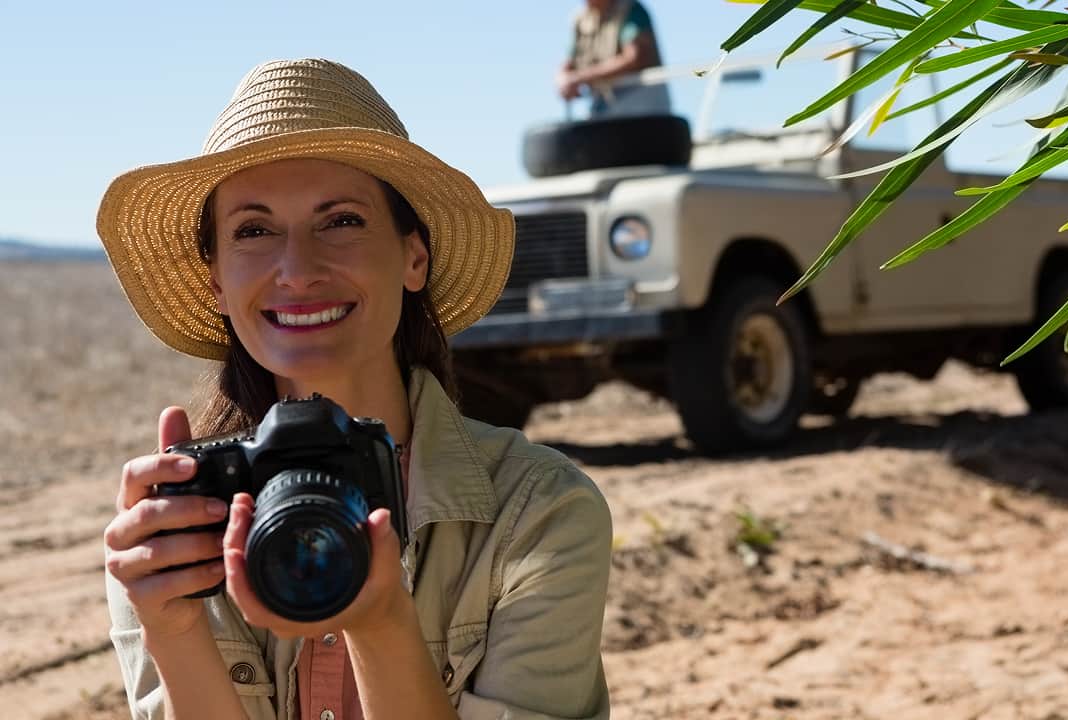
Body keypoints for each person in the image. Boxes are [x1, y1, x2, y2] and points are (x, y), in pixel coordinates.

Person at [99, 58, 613, 720]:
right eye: (254, 230)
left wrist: (378, 624)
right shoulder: (176, 528)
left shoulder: (537, 512)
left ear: (413, 258)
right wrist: (172, 629)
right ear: (217, 284)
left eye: (339, 220)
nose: (297, 269)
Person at [558, 0, 671, 118]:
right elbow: (569, 63)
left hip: (642, 105)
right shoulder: (581, 20)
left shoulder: (629, 9)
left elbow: (633, 58)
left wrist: (581, 77)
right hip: (603, 104)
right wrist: (563, 79)